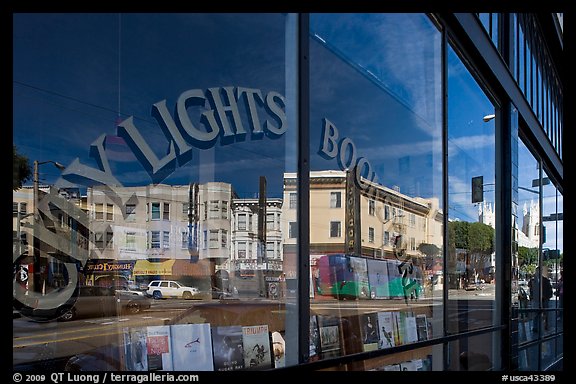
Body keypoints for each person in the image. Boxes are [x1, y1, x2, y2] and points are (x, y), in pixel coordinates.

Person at [529, 266, 553, 332]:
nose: (538, 272)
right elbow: (531, 290)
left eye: (539, 271)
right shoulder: (532, 280)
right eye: (537, 271)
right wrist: (531, 297)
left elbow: (550, 290)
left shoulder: (546, 280)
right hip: (536, 300)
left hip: (544, 299)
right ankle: (535, 327)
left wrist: (546, 297)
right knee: (535, 314)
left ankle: (546, 326)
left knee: (546, 314)